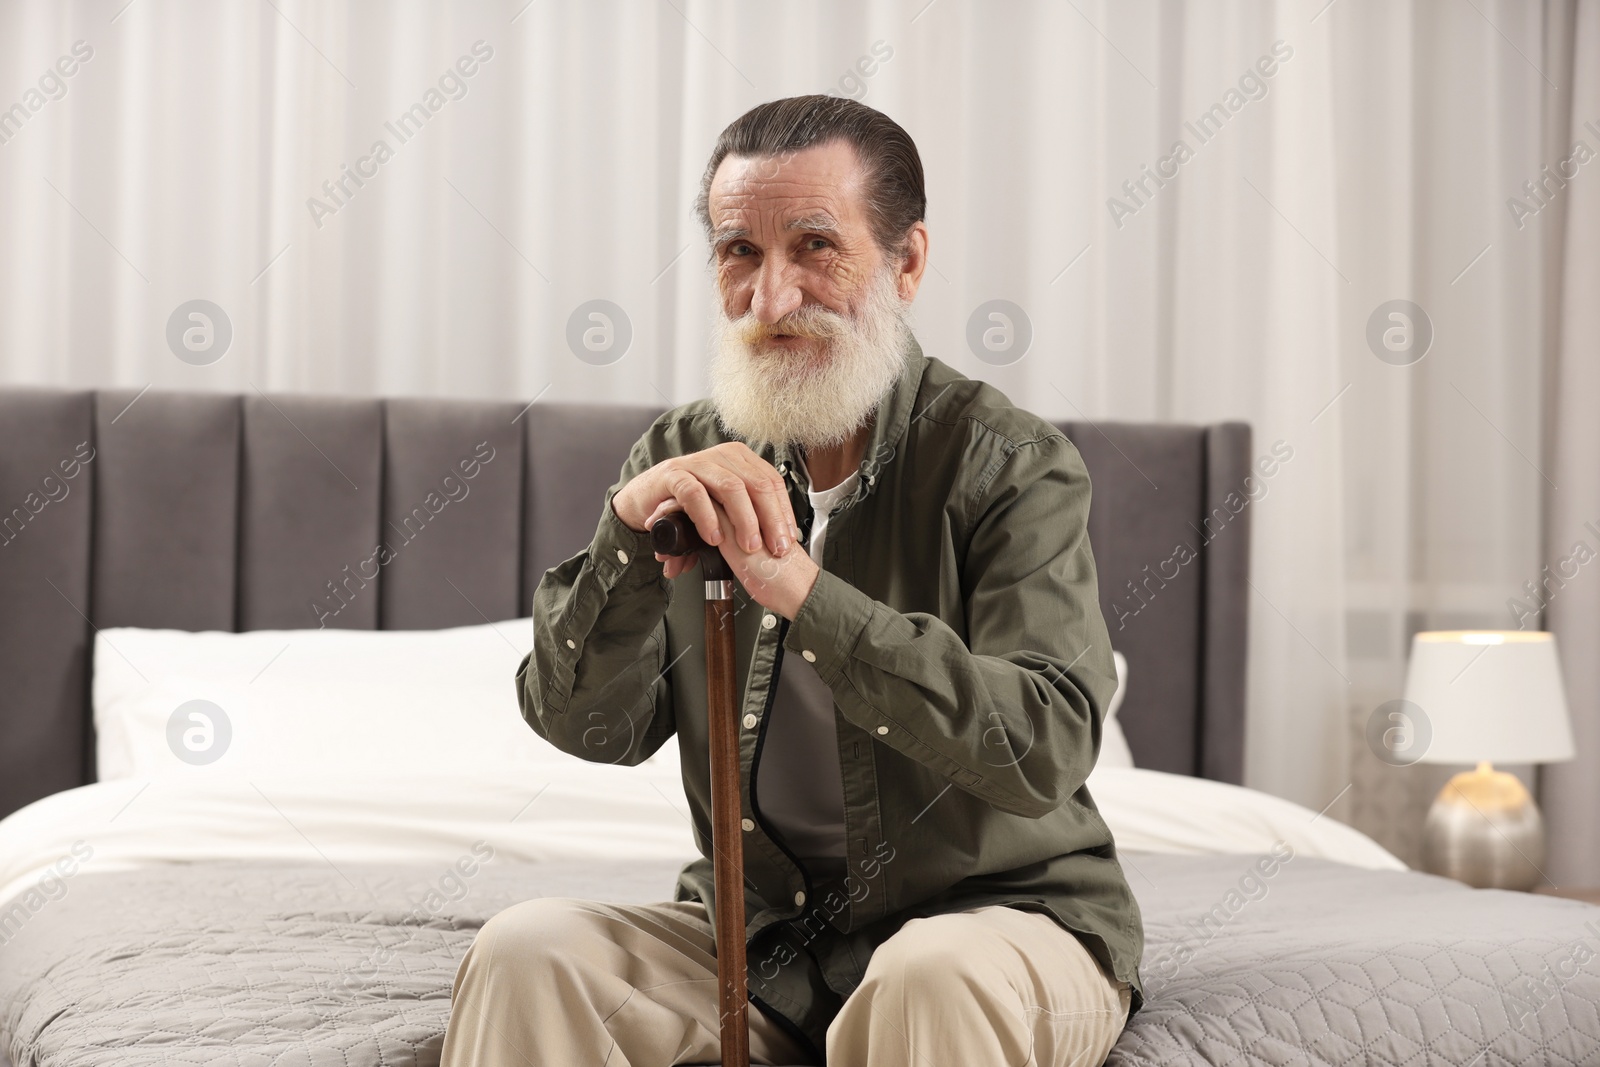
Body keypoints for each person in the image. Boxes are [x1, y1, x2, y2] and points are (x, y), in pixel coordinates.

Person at [441, 93, 1143, 1067]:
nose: (772, 300)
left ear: (907, 260)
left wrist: (804, 593)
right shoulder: (683, 454)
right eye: (740, 253)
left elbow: (1045, 747)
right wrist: (624, 538)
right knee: (530, 951)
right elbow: (583, 723)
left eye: (815, 245)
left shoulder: (1009, 465)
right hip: (763, 939)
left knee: (926, 975)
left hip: (997, 917)